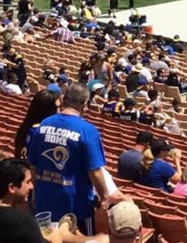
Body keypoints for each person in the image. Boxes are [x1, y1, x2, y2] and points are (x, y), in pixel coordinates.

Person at [26, 82, 120, 235]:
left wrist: (38, 189)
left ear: (64, 100)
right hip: (76, 207)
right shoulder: (88, 131)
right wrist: (104, 197)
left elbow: (33, 164)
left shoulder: (43, 125)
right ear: (84, 104)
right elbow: (95, 171)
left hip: (44, 201)